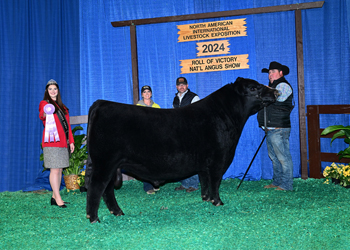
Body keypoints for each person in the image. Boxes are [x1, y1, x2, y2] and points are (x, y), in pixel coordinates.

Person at [257, 61, 294, 191]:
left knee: (283, 157)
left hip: (279, 128)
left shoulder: (283, 85)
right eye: (269, 72)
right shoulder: (271, 87)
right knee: (274, 157)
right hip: (271, 128)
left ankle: (287, 185)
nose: (270, 74)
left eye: (273, 71)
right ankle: (277, 182)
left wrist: (265, 90)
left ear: (281, 73)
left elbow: (278, 97)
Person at [39, 79, 75, 207]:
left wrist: (71, 141)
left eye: (55, 89)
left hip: (62, 142)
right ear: (46, 91)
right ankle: (58, 198)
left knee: (59, 169)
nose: (53, 91)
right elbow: (42, 115)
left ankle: (54, 197)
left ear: (58, 91)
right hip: (51, 141)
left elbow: (68, 126)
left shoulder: (63, 107)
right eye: (50, 89)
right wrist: (45, 111)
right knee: (54, 169)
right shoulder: (45, 103)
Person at [173, 77, 200, 193]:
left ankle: (193, 184)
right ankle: (184, 183)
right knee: (182, 158)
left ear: (187, 85)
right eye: (179, 85)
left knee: (192, 158)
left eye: (183, 84)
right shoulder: (175, 99)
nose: (182, 86)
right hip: (179, 132)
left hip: (191, 131)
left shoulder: (194, 97)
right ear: (176, 86)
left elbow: (198, 114)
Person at [136, 85, 160, 194]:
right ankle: (148, 186)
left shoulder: (157, 106)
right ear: (142, 94)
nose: (146, 93)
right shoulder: (137, 107)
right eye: (144, 92)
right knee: (145, 163)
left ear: (151, 93)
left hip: (155, 137)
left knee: (156, 161)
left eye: (148, 91)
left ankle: (155, 182)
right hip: (143, 138)